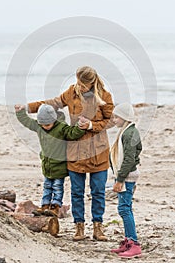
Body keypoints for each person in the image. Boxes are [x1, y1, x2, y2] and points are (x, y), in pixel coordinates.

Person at [27, 66, 114, 241]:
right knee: (76, 192)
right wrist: (30, 107)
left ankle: (98, 228)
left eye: (83, 85)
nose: (79, 87)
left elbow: (110, 120)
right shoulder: (72, 92)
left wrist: (91, 126)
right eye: (78, 82)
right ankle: (79, 227)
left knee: (98, 192)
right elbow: (54, 102)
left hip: (99, 151)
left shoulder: (104, 96)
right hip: (75, 151)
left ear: (92, 82)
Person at [15, 103, 85, 217]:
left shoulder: (61, 128)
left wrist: (80, 126)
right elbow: (27, 122)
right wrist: (20, 112)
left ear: (54, 120)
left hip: (59, 165)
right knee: (47, 186)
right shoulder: (39, 126)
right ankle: (45, 205)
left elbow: (73, 133)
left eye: (47, 124)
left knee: (57, 187)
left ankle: (55, 207)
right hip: (47, 165)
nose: (45, 127)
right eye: (42, 124)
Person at [110, 103, 142, 258]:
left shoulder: (129, 134)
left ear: (124, 117)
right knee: (125, 207)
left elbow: (129, 159)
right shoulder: (129, 131)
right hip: (127, 175)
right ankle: (128, 240)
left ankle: (134, 243)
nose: (114, 120)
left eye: (116, 117)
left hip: (127, 176)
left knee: (124, 208)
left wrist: (119, 179)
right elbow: (138, 150)